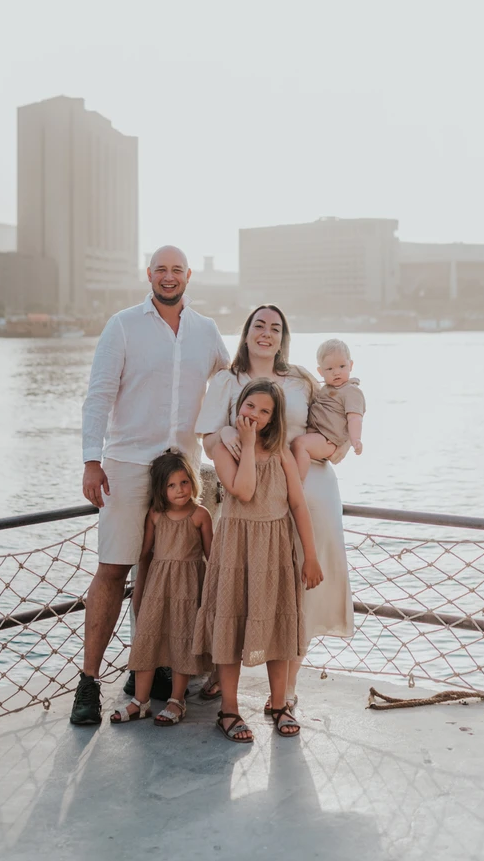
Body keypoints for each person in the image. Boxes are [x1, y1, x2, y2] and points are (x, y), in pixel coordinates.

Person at [70, 245, 229, 726]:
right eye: (161, 269)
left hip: (182, 469)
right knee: (114, 570)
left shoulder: (205, 331)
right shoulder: (122, 325)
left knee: (169, 570)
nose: (168, 276)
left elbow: (233, 383)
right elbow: (98, 394)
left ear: (188, 276)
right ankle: (88, 682)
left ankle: (155, 668)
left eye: (177, 269)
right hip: (127, 464)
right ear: (149, 274)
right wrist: (91, 462)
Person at [196, 304, 354, 712]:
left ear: (285, 337)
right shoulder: (227, 381)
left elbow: (329, 426)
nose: (267, 333)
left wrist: (338, 447)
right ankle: (223, 672)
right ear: (246, 332)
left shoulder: (301, 380)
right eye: (259, 326)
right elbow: (208, 441)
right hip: (251, 493)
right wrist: (228, 431)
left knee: (302, 585)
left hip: (308, 488)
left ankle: (285, 690)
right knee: (243, 586)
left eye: (276, 328)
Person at [193, 380, 323, 741]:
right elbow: (244, 491)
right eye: (251, 406)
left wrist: (310, 556)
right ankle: (229, 711)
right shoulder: (224, 449)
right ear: (239, 406)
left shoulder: (281, 452)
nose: (256, 415)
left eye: (265, 411)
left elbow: (297, 503)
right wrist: (247, 445)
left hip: (276, 547)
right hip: (237, 547)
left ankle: (279, 703)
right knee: (231, 625)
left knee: (278, 626)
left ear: (274, 418)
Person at [110, 448, 212, 726]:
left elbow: (211, 556)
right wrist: (138, 590)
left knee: (182, 643)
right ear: (160, 489)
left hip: (189, 589)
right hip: (158, 587)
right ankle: (140, 702)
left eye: (184, 482)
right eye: (171, 485)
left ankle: (176, 701)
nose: (179, 490)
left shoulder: (200, 515)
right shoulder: (155, 515)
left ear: (193, 481)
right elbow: (143, 553)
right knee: (147, 640)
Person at [291, 339, 366, 480]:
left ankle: (296, 487)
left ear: (351, 365)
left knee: (299, 444)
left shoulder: (351, 391)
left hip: (328, 439)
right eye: (329, 369)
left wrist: (355, 439)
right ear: (320, 371)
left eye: (342, 366)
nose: (336, 372)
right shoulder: (325, 388)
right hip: (318, 434)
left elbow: (355, 417)